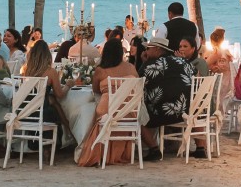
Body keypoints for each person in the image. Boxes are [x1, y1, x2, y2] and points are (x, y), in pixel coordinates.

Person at [77, 39, 138, 167]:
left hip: (108, 112)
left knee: (90, 111)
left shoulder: (101, 70)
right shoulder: (131, 68)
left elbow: (95, 90)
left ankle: (96, 151)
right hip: (129, 112)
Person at [139, 36, 192, 161]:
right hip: (186, 112)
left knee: (138, 115)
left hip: (162, 113)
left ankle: (154, 148)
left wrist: (144, 62)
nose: (146, 51)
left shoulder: (150, 66)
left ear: (157, 49)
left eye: (148, 48)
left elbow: (137, 82)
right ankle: (201, 148)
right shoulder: (182, 61)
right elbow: (196, 76)